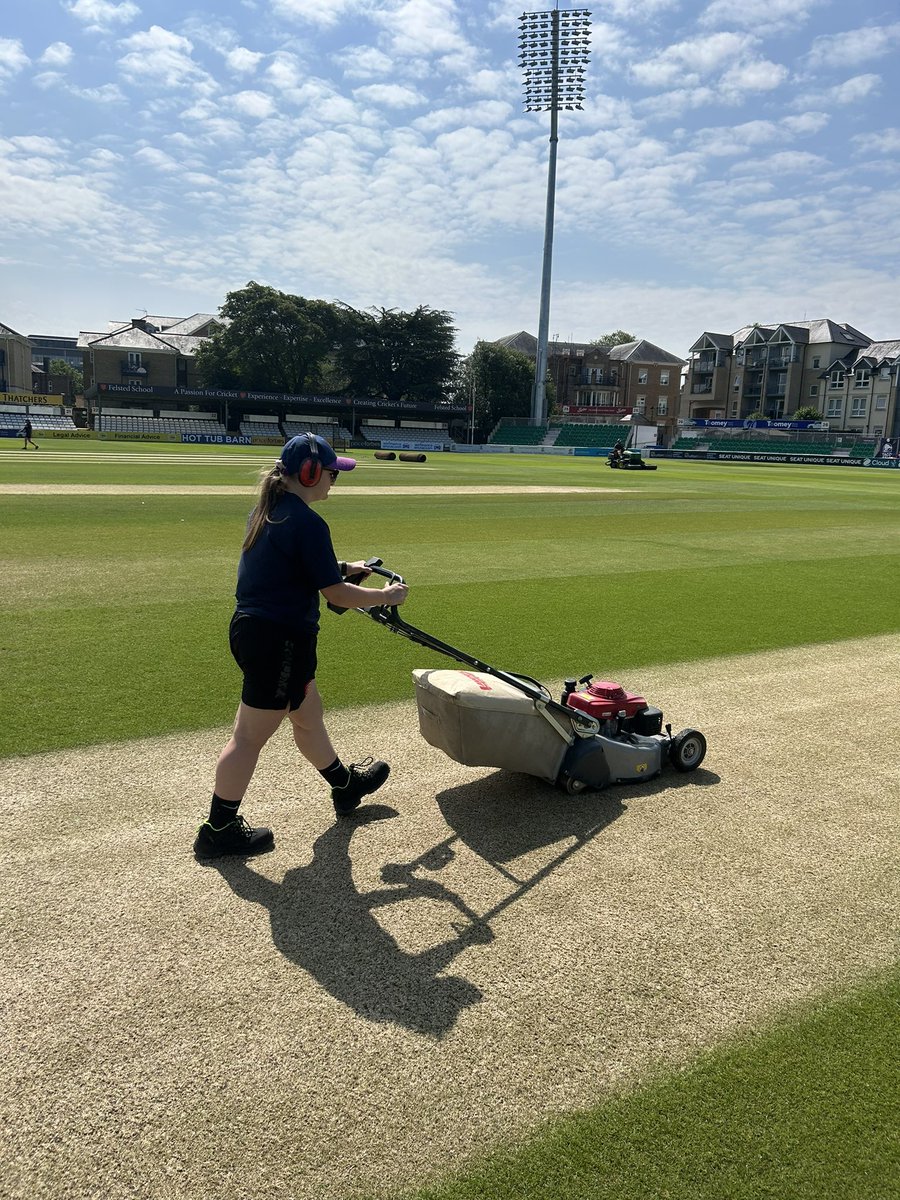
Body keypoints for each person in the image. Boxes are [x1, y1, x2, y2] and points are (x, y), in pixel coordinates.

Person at [194, 433, 409, 859]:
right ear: (310, 474)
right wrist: (386, 596)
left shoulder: (270, 510)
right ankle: (218, 828)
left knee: (307, 715)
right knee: (249, 737)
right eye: (331, 474)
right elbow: (336, 595)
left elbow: (297, 567)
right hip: (280, 641)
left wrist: (348, 567)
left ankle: (344, 786)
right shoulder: (308, 522)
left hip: (257, 632)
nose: (334, 481)